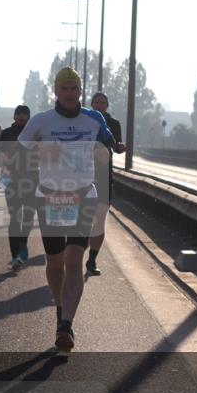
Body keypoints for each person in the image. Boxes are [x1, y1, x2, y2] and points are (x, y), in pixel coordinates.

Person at [18, 67, 113, 352]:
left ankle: (66, 325)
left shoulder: (94, 118)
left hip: (83, 195)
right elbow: (19, 153)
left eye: (74, 88)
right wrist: (40, 152)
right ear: (56, 92)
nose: (70, 94)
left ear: (80, 91)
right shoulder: (41, 121)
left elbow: (107, 148)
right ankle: (61, 307)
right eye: (65, 89)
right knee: (55, 263)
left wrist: (105, 152)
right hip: (50, 197)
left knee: (74, 260)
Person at [86, 92, 127, 276]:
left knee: (100, 218)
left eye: (103, 102)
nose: (100, 105)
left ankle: (92, 260)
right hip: (83, 173)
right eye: (96, 102)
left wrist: (120, 148)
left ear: (107, 105)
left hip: (104, 174)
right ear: (91, 104)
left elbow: (116, 146)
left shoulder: (114, 124)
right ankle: (75, 254)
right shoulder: (83, 120)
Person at [0, 106, 37, 270]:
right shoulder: (6, 134)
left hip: (32, 178)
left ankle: (23, 241)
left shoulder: (35, 133)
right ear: (14, 117)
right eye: (19, 114)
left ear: (29, 117)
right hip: (12, 180)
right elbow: (1, 156)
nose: (21, 117)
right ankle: (15, 256)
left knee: (28, 215)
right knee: (15, 216)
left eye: (24, 115)